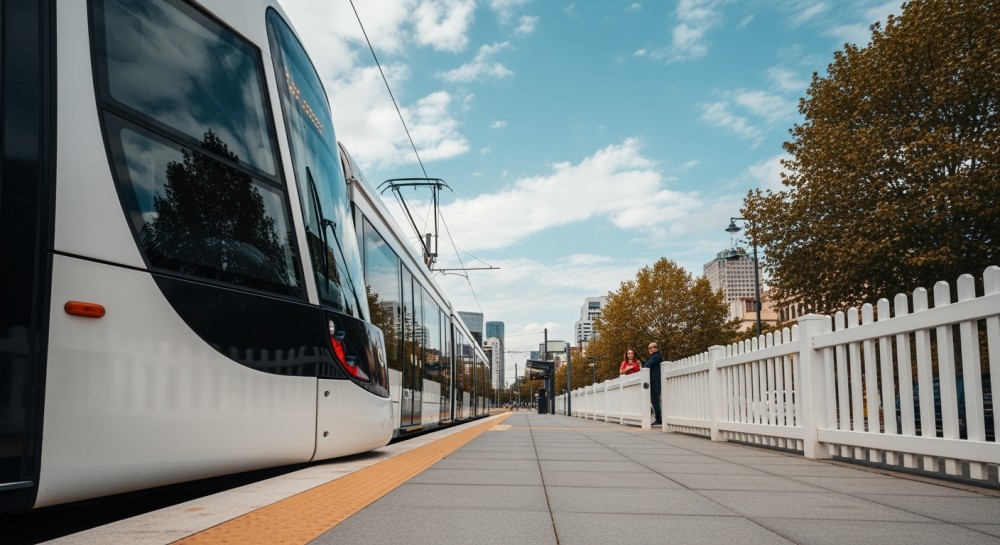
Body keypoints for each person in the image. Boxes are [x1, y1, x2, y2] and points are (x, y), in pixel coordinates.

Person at [643, 342, 663, 425]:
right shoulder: (653, 357)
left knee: (655, 400)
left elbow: (646, 366)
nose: (651, 349)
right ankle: (658, 418)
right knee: (655, 400)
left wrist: (643, 364)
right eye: (650, 348)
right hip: (654, 380)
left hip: (655, 381)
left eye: (654, 347)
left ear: (657, 348)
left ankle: (659, 419)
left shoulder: (656, 357)